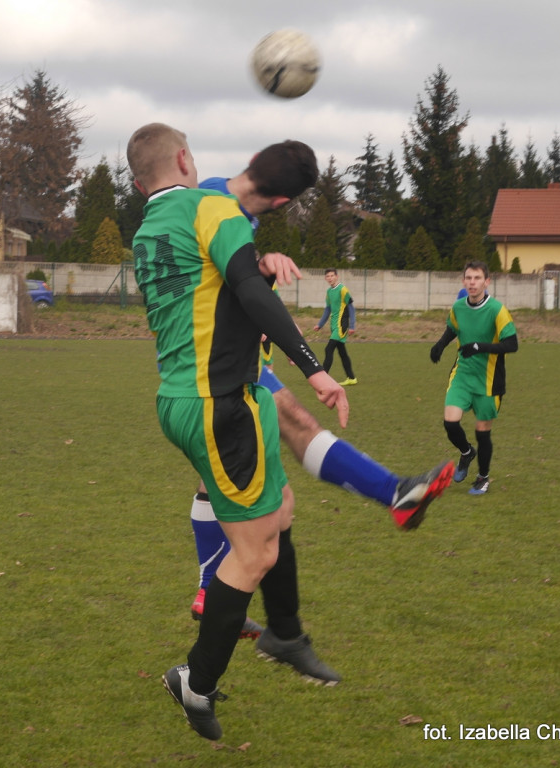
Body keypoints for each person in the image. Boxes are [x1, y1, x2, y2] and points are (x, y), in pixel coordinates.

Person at [128, 122, 357, 742]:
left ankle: (285, 633)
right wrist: (315, 370)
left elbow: (220, 295)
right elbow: (252, 294)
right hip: (219, 404)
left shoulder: (150, 228)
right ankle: (195, 681)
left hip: (187, 397)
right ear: (184, 158)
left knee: (279, 509)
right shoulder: (211, 208)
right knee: (255, 553)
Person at [189, 148, 453, 643]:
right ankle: (228, 626)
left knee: (267, 453)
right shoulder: (215, 207)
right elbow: (232, 287)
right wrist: (313, 367)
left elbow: (234, 283)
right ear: (284, 201)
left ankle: (221, 601)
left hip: (230, 358)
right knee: (265, 469)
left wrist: (259, 268)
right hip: (208, 363)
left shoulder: (219, 201)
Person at [429, 261, 517, 495]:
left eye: (477, 278)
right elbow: (452, 328)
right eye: (468, 278)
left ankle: (483, 477)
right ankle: (467, 452)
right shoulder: (458, 307)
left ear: (487, 282)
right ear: (463, 281)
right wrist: (440, 345)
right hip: (462, 375)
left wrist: (480, 346)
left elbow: (512, 344)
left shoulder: (497, 310)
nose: (472, 282)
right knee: (450, 423)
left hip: (489, 381)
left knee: (482, 432)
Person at [314, 268, 357, 385]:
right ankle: (351, 378)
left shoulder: (343, 289)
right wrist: (320, 324)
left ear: (337, 276)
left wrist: (352, 325)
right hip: (333, 326)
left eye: (332, 276)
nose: (330, 278)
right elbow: (328, 309)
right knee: (342, 353)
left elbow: (351, 308)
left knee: (328, 349)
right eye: (328, 276)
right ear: (325, 278)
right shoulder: (329, 292)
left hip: (341, 325)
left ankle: (323, 378)